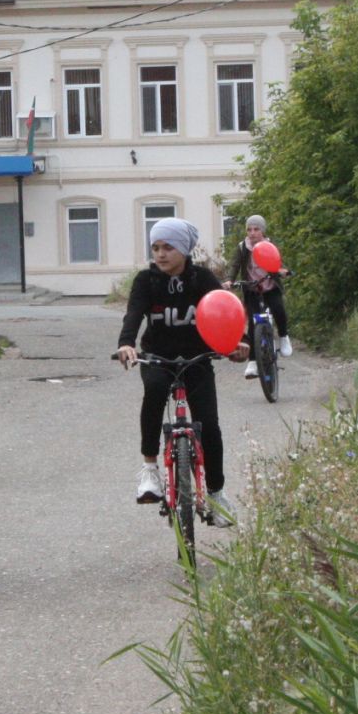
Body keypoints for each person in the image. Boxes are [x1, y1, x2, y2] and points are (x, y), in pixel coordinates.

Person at [115, 218, 246, 524]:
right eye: (156, 247)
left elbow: (227, 311)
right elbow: (133, 314)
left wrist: (240, 344)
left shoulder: (202, 279)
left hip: (196, 358)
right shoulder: (146, 281)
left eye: (168, 247)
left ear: (184, 250)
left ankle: (216, 494)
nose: (160, 254)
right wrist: (126, 344)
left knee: (209, 426)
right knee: (155, 391)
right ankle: (149, 471)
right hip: (157, 356)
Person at [227, 214, 291, 379]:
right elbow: (234, 265)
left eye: (256, 229)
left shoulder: (269, 246)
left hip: (270, 287)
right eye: (249, 229)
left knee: (279, 310)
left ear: (262, 231)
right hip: (252, 289)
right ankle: (253, 363)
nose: (252, 233)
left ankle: (284, 337)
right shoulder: (243, 247)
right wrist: (229, 280)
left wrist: (282, 271)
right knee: (254, 326)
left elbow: (278, 263)